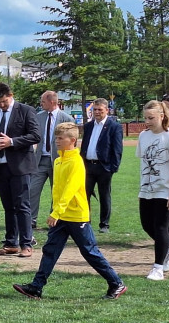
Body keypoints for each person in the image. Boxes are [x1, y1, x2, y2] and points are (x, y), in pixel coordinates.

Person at [12, 122, 127, 300]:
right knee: (50, 250)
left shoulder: (75, 162)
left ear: (72, 140)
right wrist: (57, 212)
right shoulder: (58, 161)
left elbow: (70, 190)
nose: (57, 141)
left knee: (89, 251)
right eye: (55, 138)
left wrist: (56, 212)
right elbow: (58, 190)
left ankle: (116, 283)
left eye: (60, 138)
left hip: (75, 216)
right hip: (62, 215)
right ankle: (36, 287)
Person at [0, 81, 39, 257]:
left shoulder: (26, 110)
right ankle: (11, 242)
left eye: (4, 101)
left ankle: (26, 244)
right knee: (8, 207)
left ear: (11, 95)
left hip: (20, 166)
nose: (1, 105)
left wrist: (10, 142)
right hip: (0, 166)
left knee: (22, 205)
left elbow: (35, 135)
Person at [138, 100, 169, 282]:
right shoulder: (143, 136)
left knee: (160, 228)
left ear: (162, 116)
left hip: (166, 191)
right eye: (145, 118)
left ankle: (158, 268)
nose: (147, 121)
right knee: (147, 226)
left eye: (151, 118)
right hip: (147, 189)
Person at [30, 91, 76, 229]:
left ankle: (54, 219)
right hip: (40, 160)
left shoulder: (67, 118)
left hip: (59, 160)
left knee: (56, 191)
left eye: (43, 101)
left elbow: (72, 143)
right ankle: (31, 219)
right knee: (32, 189)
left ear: (52, 102)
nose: (40, 104)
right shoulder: (38, 117)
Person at [80, 98, 124, 233]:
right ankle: (85, 221)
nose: (97, 112)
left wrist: (112, 167)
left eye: (100, 109)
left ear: (107, 110)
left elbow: (117, 149)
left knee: (104, 196)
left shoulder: (114, 126)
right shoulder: (88, 126)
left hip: (104, 167)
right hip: (88, 166)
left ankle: (104, 224)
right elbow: (84, 145)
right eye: (95, 109)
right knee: (84, 195)